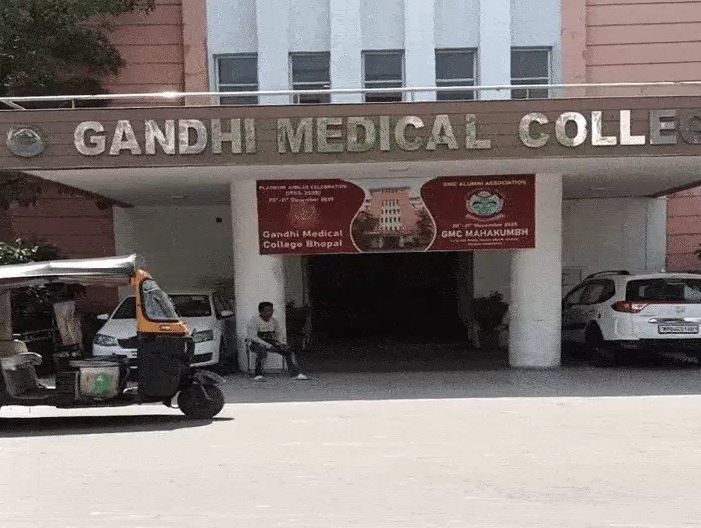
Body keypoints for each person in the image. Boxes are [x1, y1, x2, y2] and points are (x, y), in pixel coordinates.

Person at [247, 302, 308, 382]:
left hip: (271, 341)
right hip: (256, 343)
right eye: (267, 311)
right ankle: (258, 374)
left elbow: (278, 334)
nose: (270, 313)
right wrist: (267, 345)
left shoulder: (274, 321)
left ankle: (295, 374)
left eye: (271, 310)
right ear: (261, 311)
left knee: (288, 351)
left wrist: (281, 343)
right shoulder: (254, 321)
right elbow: (253, 337)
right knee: (261, 351)